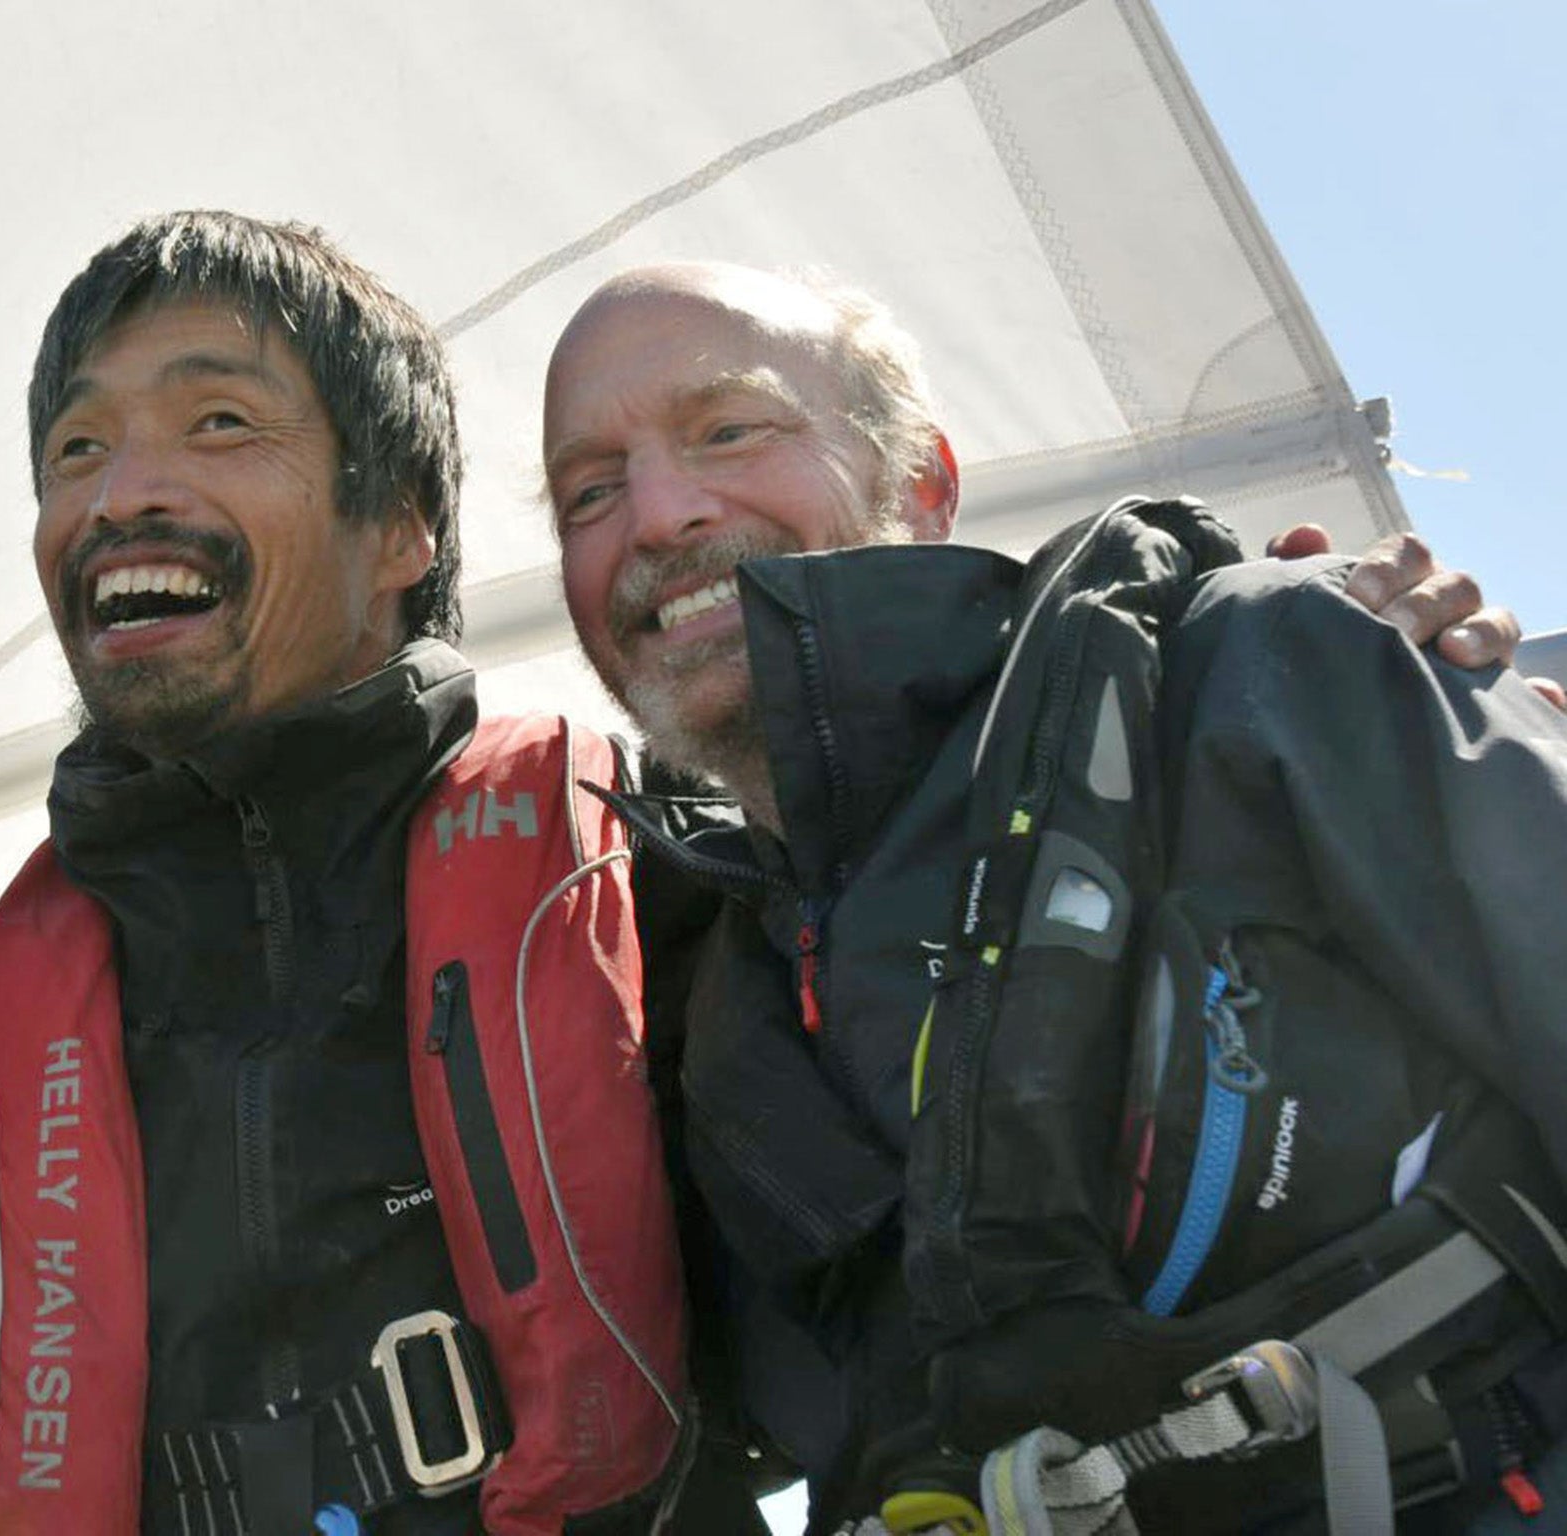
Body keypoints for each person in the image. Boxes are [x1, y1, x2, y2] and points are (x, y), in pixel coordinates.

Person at [541, 261, 1567, 1529]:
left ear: (917, 480)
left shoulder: (1270, 660)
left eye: (728, 429)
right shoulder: (672, 1018)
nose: (654, 515)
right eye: (589, 490)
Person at [0, 213, 768, 1535]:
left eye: (219, 424)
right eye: (77, 450)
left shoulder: (642, 877)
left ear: (399, 526)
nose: (119, 498)